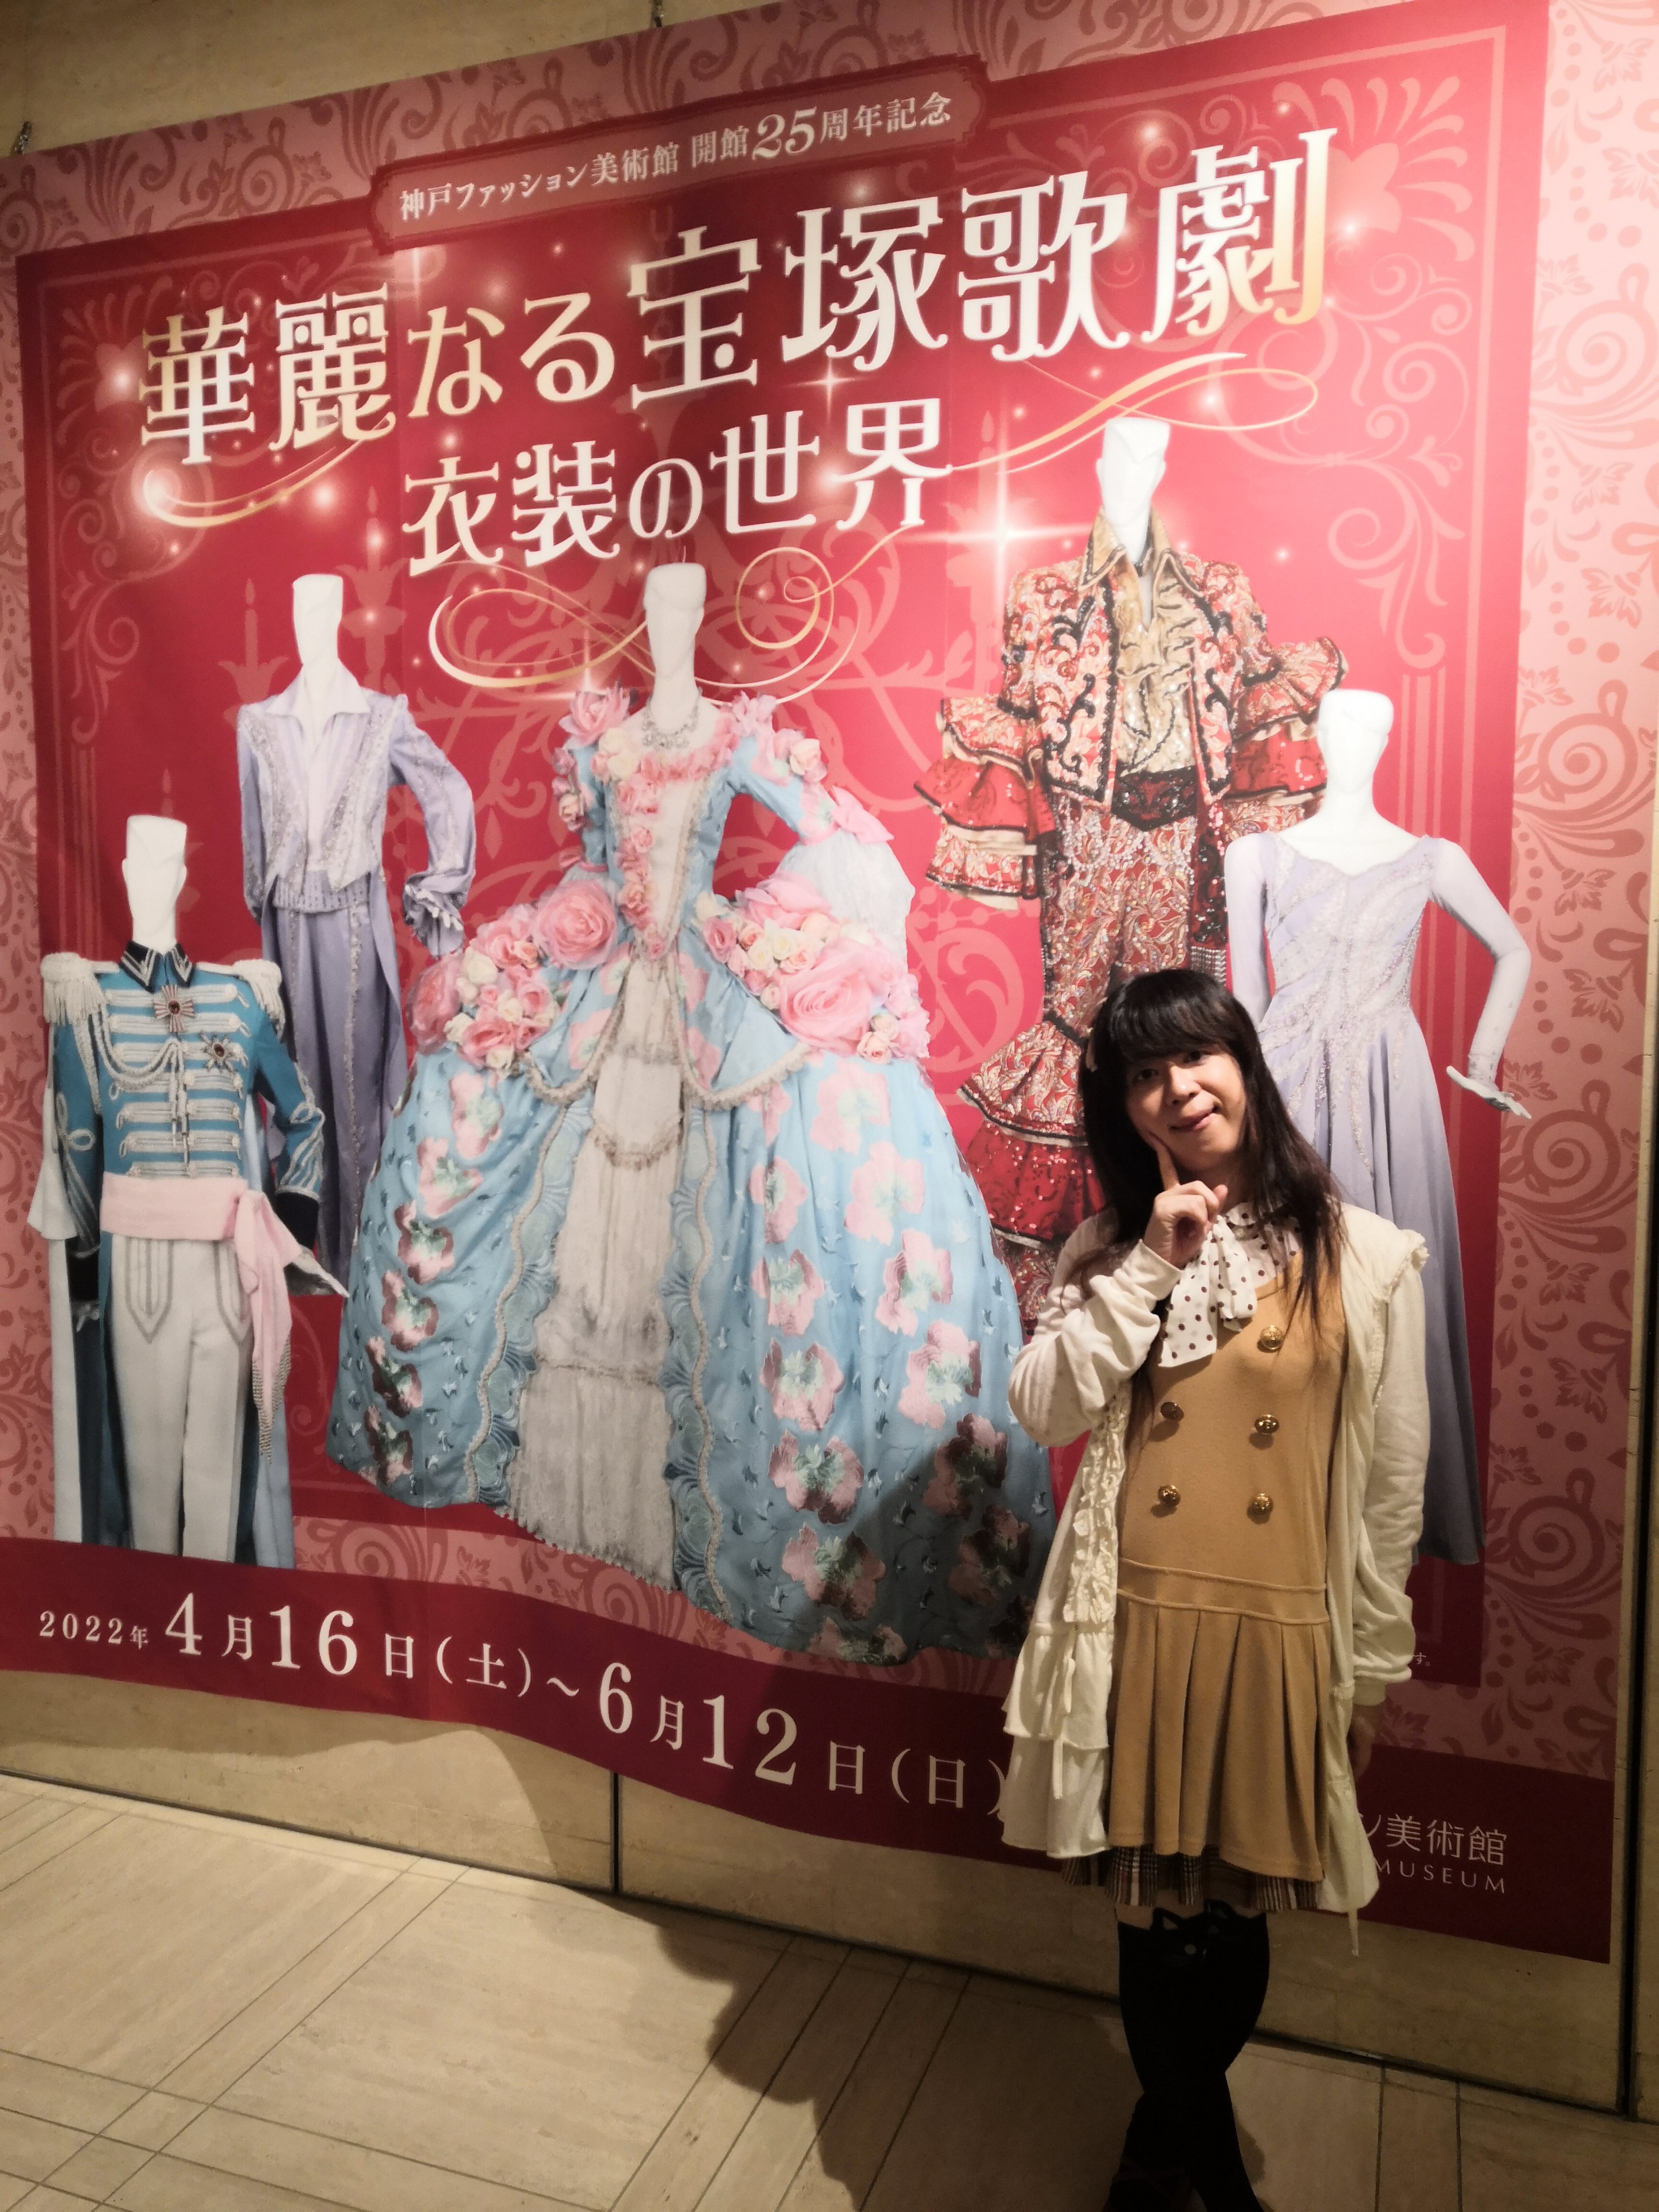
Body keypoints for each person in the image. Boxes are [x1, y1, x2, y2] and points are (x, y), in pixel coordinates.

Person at [328, 562, 1051, 1667]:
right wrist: (564, 925)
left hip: (700, 994)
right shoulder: (601, 740)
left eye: (685, 608)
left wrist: (777, 926)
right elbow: (597, 864)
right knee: (544, 1217)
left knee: (725, 1240)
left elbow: (838, 838)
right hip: (606, 992)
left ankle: (678, 1526)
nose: (671, 622)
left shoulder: (735, 738)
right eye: (658, 608)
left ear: (701, 617)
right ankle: (575, 1496)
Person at [996, 968, 1429, 2211]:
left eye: (1197, 1055)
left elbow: (1391, 1490)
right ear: (1125, 1110)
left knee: (1235, 1920)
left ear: (1245, 1063)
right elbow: (1045, 1407)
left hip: (1277, 1625)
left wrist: (1371, 1672)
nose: (1177, 1089)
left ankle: (1161, 2129)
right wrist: (1149, 1264)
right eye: (1145, 1074)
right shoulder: (1110, 1250)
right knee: (1151, 1919)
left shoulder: (1365, 1253)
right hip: (1136, 1620)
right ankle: (1219, 2184)